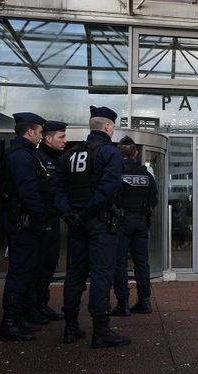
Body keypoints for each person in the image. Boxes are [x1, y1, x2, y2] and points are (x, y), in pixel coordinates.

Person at [55, 106, 130, 348]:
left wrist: (70, 214)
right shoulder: (110, 153)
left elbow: (60, 189)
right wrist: (87, 213)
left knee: (75, 275)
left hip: (76, 223)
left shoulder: (69, 154)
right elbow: (108, 189)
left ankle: (70, 328)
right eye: (113, 126)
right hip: (99, 222)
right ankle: (101, 331)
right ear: (108, 127)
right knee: (101, 275)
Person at [0, 112, 47, 341]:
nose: (41, 137)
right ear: (30, 132)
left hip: (21, 220)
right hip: (22, 222)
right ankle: (9, 325)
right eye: (39, 133)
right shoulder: (22, 156)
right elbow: (29, 191)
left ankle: (17, 320)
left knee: (24, 270)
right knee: (20, 272)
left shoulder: (21, 154)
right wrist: (40, 215)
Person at [110, 136, 158, 316]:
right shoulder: (146, 174)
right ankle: (144, 301)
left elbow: (110, 196)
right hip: (141, 221)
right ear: (136, 153)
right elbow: (154, 199)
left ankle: (122, 303)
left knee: (119, 262)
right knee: (141, 262)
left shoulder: (115, 172)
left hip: (121, 221)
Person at [31, 121, 68, 322]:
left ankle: (41, 304)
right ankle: (31, 307)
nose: (65, 141)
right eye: (61, 137)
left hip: (52, 219)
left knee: (48, 264)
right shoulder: (38, 158)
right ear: (48, 138)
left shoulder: (59, 158)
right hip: (39, 220)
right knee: (36, 265)